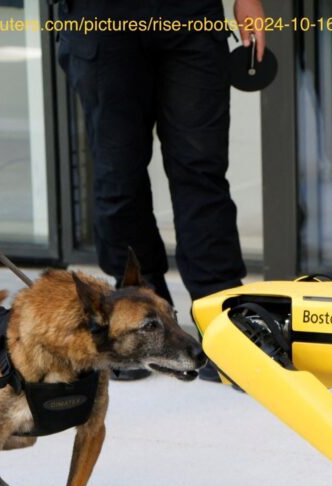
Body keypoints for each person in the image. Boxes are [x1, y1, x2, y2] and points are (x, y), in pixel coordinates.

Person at [58, 0, 262, 381]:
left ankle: (221, 318)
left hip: (191, 17)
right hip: (103, 19)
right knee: (118, 179)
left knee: (201, 174)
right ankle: (137, 314)